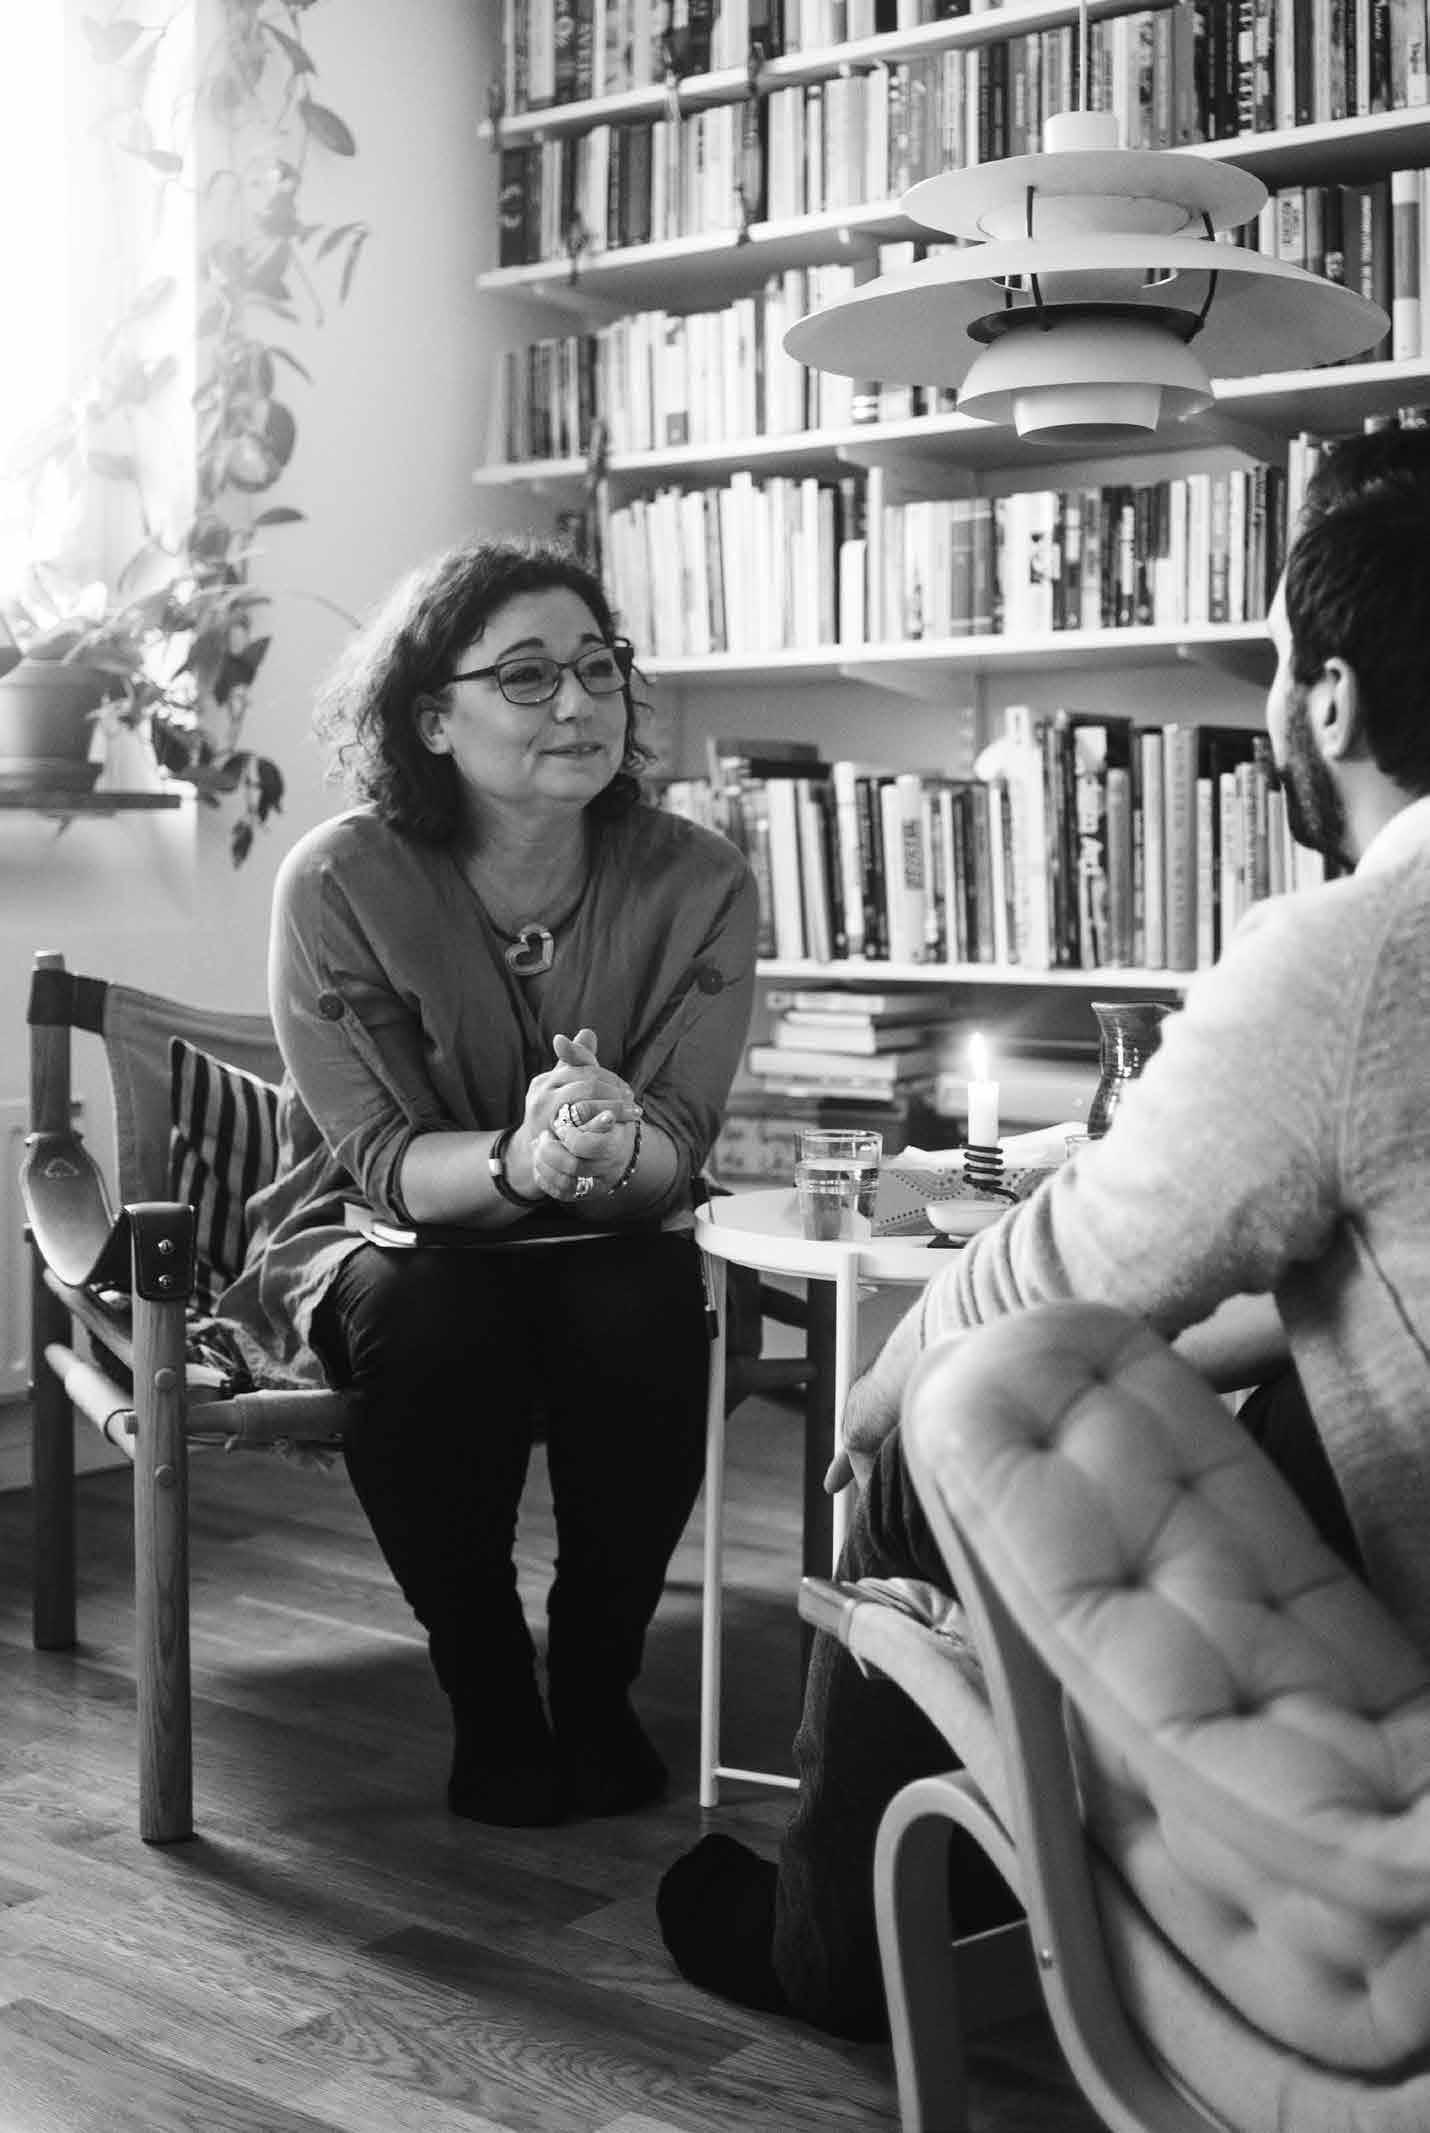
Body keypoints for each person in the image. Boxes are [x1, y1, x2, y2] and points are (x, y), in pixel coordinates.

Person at [657, 426, 1430, 2035]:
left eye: (1275, 664)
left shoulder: (1361, 949)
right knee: (1258, 1388)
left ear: (1333, 701)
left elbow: (1058, 1265)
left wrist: (890, 1384)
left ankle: (834, 1943)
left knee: (935, 1433)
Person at [219, 535, 758, 1829]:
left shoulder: (701, 879)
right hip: (379, 1233)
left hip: (608, 1222)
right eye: (525, 675)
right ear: (430, 718)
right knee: (435, 1315)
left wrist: (609, 1146)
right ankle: (490, 1691)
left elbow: (678, 1138)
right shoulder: (338, 879)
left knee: (650, 1297)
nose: (576, 703)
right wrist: (524, 1156)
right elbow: (383, 1163)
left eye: (597, 666)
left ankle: (597, 1677)